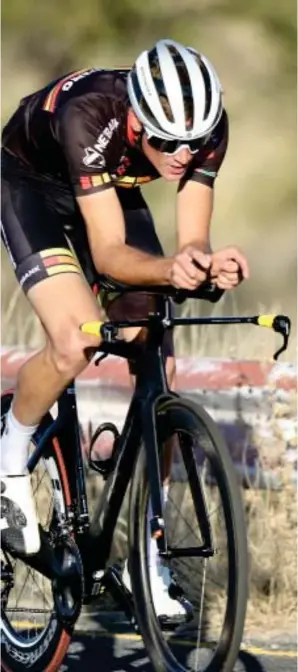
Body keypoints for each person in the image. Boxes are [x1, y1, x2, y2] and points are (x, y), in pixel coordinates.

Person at [1, 38, 249, 617]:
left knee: (154, 348)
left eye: (195, 142)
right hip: (29, 189)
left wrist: (204, 264)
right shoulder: (87, 114)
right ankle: (10, 451)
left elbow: (191, 239)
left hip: (110, 190)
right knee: (76, 337)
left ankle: (145, 552)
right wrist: (169, 270)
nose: (183, 156)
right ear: (136, 119)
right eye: (167, 144)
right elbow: (110, 253)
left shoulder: (202, 130)